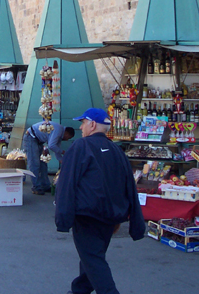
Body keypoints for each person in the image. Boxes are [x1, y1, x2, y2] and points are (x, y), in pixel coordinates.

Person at [55, 108, 145, 294]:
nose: (81, 128)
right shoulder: (117, 151)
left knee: (93, 259)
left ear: (93, 124)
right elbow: (129, 185)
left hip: (87, 215)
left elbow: (67, 183)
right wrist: (129, 217)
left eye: (83, 123)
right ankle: (79, 290)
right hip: (111, 216)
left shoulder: (81, 146)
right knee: (93, 255)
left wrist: (63, 217)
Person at [22, 121, 74, 195]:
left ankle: (45, 185)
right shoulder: (59, 130)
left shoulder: (59, 132)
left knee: (43, 164)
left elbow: (56, 148)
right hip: (31, 138)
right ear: (67, 133)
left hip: (37, 140)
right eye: (68, 138)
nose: (67, 140)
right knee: (34, 164)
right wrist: (63, 152)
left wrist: (61, 160)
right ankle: (36, 187)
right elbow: (51, 145)